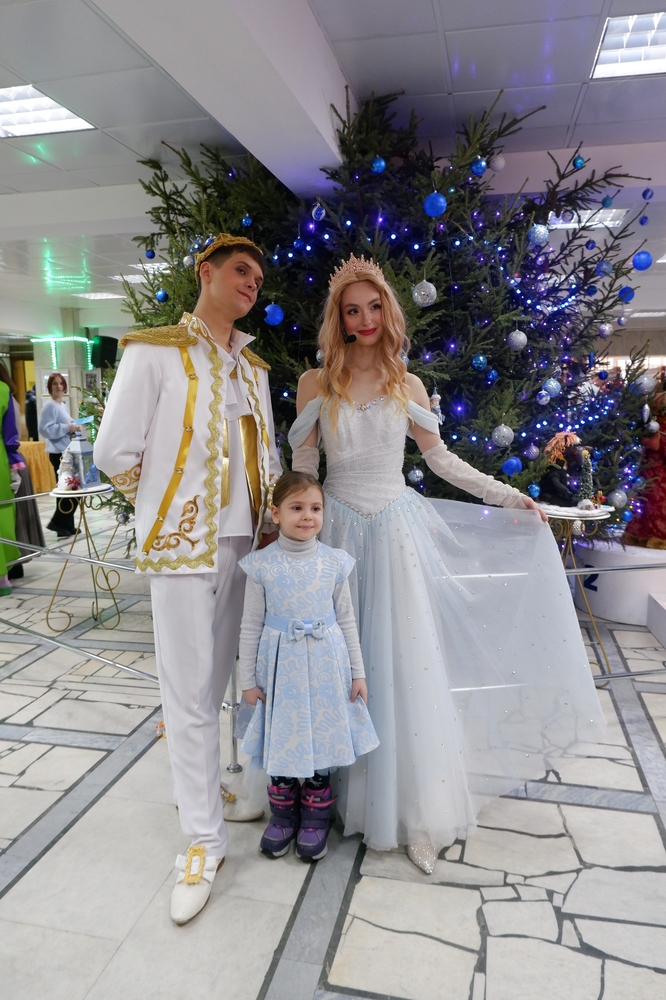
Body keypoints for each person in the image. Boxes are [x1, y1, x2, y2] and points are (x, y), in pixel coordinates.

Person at [289, 255, 604, 874]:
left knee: (404, 668)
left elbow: (440, 461)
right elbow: (303, 469)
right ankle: (332, 797)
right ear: (339, 318)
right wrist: (291, 530)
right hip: (339, 535)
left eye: (374, 307)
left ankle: (415, 811)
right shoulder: (314, 384)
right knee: (335, 664)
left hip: (395, 534)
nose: (365, 319)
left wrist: (508, 496)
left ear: (387, 310)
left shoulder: (405, 384)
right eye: (352, 310)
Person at [94, 234, 281, 925]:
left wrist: (269, 518)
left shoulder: (253, 368)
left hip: (246, 542)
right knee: (187, 693)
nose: (251, 283)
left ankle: (204, 796)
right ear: (206, 273)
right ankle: (203, 840)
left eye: (257, 276)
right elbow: (112, 450)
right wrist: (163, 510)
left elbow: (269, 454)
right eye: (240, 271)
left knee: (216, 686)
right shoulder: (154, 351)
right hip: (182, 549)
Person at [238, 471, 379, 861]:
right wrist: (247, 680)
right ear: (276, 513)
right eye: (296, 508)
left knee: (320, 738)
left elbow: (347, 620)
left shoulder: (334, 563)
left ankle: (316, 819)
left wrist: (358, 673)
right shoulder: (260, 566)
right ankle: (283, 815)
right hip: (280, 670)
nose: (307, 516)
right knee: (283, 737)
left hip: (326, 667)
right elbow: (250, 624)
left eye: (315, 508)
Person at [0, 363, 44, 580]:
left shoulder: (7, 395)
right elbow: (12, 435)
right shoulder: (6, 394)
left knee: (11, 515)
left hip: (9, 461)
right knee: (9, 516)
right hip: (7, 460)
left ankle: (13, 565)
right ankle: (11, 567)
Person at [38, 373, 78, 537]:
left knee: (71, 488)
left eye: (61, 383)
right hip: (58, 453)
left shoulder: (62, 405)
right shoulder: (50, 406)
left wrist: (74, 425)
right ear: (50, 387)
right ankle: (58, 522)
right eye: (55, 384)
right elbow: (45, 429)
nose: (59, 387)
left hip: (66, 451)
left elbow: (67, 422)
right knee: (67, 488)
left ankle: (66, 524)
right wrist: (67, 427)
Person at [0, 372, 23, 594]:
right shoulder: (3, 390)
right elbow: (9, 435)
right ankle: (2, 578)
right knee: (3, 514)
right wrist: (14, 463)